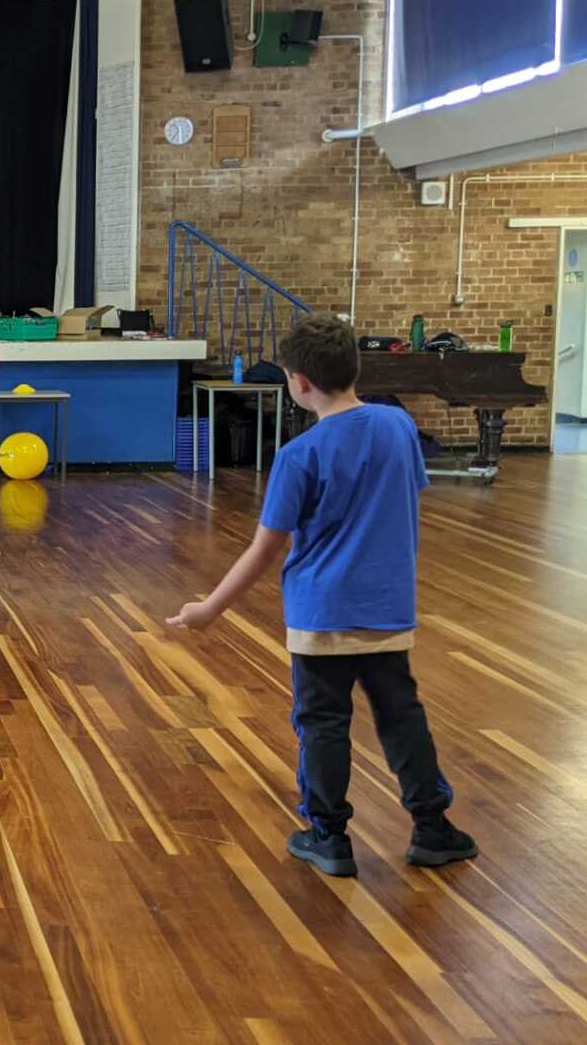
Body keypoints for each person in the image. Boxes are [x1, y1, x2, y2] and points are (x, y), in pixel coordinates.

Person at [167, 313, 478, 879]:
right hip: (387, 611)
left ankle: (328, 836)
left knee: (323, 724)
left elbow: (265, 549)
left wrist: (208, 608)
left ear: (299, 382)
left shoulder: (298, 456)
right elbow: (407, 495)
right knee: (401, 716)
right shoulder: (397, 427)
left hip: (320, 615)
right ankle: (432, 828)